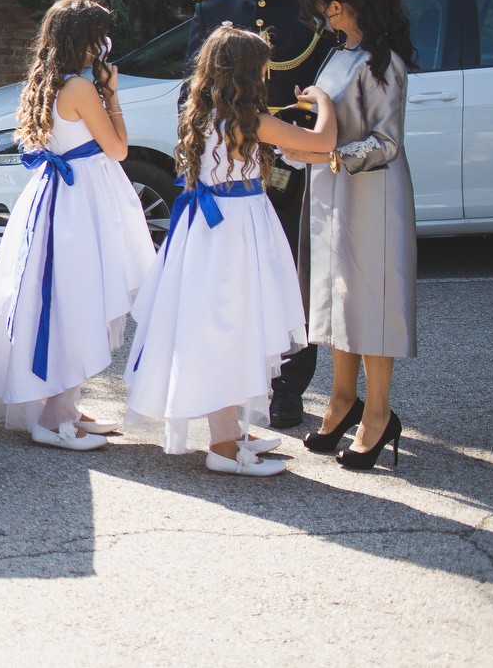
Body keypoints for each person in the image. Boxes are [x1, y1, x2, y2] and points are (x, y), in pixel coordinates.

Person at [125, 25, 337, 477]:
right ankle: (223, 448)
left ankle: (232, 431)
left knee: (221, 325)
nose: (268, 74)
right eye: (263, 68)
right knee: (232, 327)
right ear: (247, 73)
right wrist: (324, 103)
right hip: (235, 230)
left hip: (205, 229)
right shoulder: (248, 121)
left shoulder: (203, 114)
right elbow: (322, 142)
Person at [0, 0, 156, 451]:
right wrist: (111, 92)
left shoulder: (45, 82)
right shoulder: (83, 89)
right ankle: (50, 419)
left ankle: (65, 404)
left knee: (65, 297)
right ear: (89, 43)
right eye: (101, 38)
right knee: (78, 299)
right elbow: (119, 149)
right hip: (81, 201)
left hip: (58, 198)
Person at [185, 0, 331, 429]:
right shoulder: (214, 8)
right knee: (233, 284)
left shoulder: (312, 7)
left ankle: (288, 386)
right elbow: (192, 90)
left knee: (293, 274)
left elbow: (327, 82)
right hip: (232, 170)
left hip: (294, 161)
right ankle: (234, 383)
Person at [283, 0, 418, 472]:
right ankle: (341, 399)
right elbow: (329, 124)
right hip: (332, 189)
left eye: (322, 5)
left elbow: (387, 144)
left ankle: (379, 414)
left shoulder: (384, 63)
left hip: (373, 196)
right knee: (336, 296)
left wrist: (330, 156)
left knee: (371, 301)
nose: (319, 15)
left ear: (339, 3)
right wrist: (300, 144)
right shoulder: (338, 52)